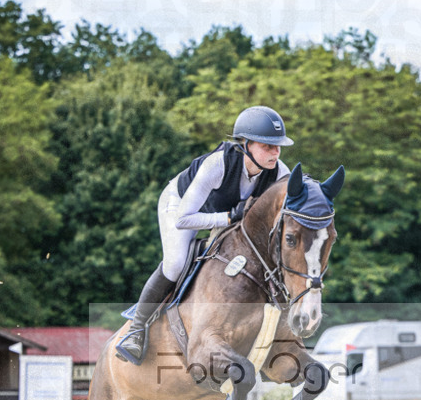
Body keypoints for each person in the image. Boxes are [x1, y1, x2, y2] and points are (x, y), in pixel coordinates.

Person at [116, 105, 294, 364]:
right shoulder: (217, 165)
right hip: (181, 207)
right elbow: (184, 219)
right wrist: (229, 218)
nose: (275, 152)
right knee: (176, 263)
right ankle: (136, 331)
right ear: (245, 145)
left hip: (222, 214)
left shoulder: (280, 173)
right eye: (268, 146)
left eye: (278, 147)